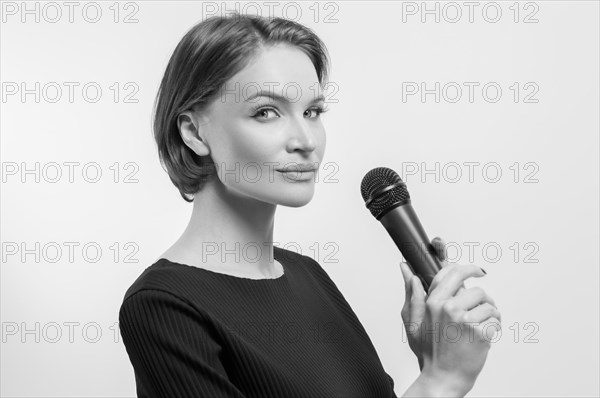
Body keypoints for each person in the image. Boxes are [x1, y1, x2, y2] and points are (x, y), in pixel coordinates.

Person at [118, 12, 501, 398]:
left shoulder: (308, 275)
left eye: (312, 111)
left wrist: (432, 359)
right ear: (193, 132)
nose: (306, 140)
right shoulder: (163, 306)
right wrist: (441, 381)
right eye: (266, 112)